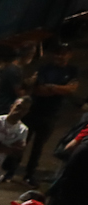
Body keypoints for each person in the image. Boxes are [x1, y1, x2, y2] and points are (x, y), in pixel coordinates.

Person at [23, 39, 78, 185]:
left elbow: (72, 89)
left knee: (38, 146)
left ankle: (29, 174)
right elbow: (39, 90)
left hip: (51, 114)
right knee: (22, 142)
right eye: (58, 53)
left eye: (64, 53)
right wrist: (60, 89)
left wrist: (51, 87)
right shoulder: (44, 68)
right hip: (34, 110)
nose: (60, 56)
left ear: (69, 55)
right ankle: (9, 171)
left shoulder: (72, 71)